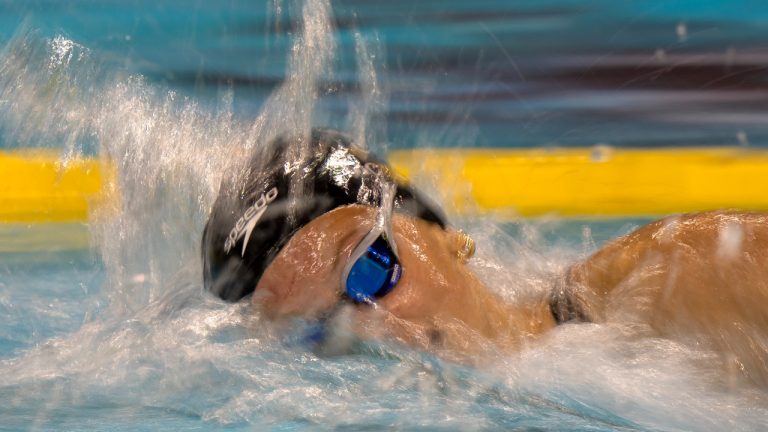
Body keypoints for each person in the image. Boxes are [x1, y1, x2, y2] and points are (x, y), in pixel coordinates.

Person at [202, 129, 768, 386]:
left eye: (370, 269)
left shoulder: (670, 281)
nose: (376, 331)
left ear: (445, 237)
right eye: (319, 333)